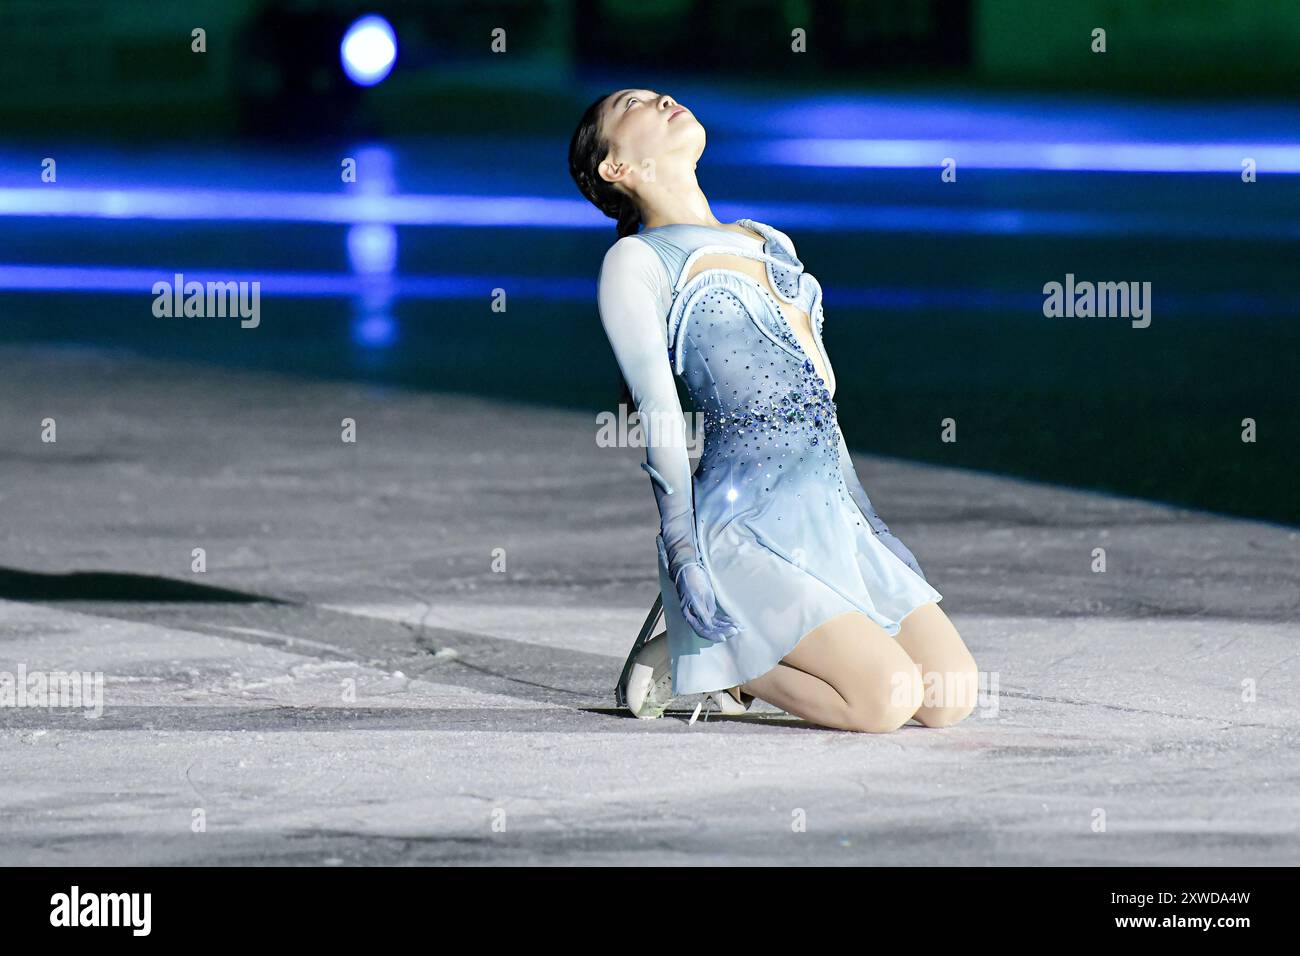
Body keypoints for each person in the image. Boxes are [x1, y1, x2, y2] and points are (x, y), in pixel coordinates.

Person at [569, 89, 979, 732]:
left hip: (829, 519)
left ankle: (738, 651)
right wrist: (681, 551)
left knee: (948, 697)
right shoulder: (637, 262)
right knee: (884, 701)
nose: (662, 98)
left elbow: (817, 406)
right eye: (634, 104)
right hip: (743, 531)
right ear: (614, 167)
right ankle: (710, 658)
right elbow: (660, 417)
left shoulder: (769, 242)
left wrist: (871, 524)